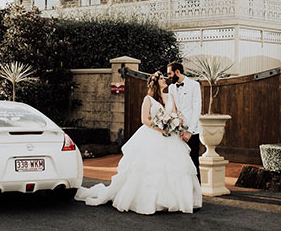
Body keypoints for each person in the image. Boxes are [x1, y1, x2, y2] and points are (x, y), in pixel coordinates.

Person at [74, 73, 202, 215]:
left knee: (175, 168)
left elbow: (175, 114)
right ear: (155, 83)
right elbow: (144, 120)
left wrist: (175, 123)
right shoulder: (148, 99)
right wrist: (160, 129)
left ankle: (175, 201)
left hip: (171, 137)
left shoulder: (170, 96)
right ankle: (149, 201)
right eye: (161, 79)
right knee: (150, 169)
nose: (165, 80)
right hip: (153, 135)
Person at [167, 61, 202, 179]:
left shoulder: (194, 85)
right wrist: (177, 126)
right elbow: (174, 109)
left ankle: (196, 192)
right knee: (179, 162)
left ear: (177, 72)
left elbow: (197, 109)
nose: (168, 77)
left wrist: (189, 132)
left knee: (193, 162)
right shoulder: (171, 87)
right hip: (178, 131)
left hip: (193, 131)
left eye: (169, 73)